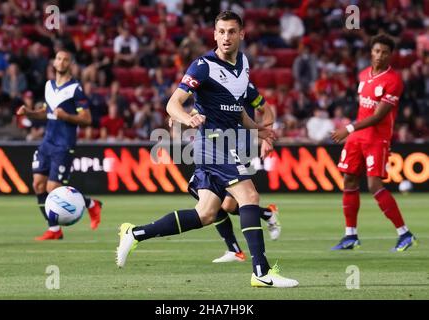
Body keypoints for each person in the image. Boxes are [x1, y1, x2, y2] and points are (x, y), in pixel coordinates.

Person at [116, 11, 298, 288]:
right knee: (249, 196)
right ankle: (261, 272)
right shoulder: (203, 65)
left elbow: (237, 111)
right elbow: (172, 103)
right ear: (214, 34)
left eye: (231, 31)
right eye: (221, 31)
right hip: (212, 143)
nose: (226, 37)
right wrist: (187, 118)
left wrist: (259, 130)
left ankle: (135, 233)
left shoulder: (244, 65)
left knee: (206, 214)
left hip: (224, 142)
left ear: (241, 35)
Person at [331, 34, 417, 252]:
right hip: (357, 138)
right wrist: (352, 132)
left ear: (390, 55)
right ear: (371, 52)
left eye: (385, 52)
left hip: (377, 139)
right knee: (349, 180)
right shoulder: (363, 75)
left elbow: (378, 116)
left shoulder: (394, 81)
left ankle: (404, 234)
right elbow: (364, 110)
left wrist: (348, 128)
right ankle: (350, 235)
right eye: (377, 51)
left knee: (374, 185)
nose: (379, 56)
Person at [178, 82, 282, 264]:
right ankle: (238, 245)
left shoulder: (244, 87)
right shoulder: (213, 86)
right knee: (217, 202)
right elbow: (201, 112)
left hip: (241, 150)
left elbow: (266, 110)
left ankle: (264, 218)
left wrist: (267, 139)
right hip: (219, 149)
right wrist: (182, 117)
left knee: (226, 204)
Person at [16, 50, 102, 240]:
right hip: (47, 142)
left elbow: (87, 119)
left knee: (52, 189)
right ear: (54, 63)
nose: (62, 62)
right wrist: (29, 112)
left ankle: (91, 204)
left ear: (70, 64)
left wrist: (67, 116)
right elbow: (46, 112)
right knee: (38, 185)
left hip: (64, 144)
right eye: (59, 59)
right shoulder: (49, 85)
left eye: (66, 59)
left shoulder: (75, 89)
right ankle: (54, 230)